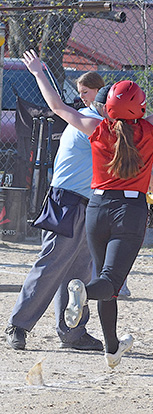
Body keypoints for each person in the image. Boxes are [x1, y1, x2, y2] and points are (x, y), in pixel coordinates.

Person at [22, 30, 153, 368]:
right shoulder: (149, 129)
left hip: (97, 209)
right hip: (129, 210)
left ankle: (111, 346)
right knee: (107, 282)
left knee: (109, 282)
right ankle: (83, 292)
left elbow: (57, 106)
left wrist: (38, 73)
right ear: (139, 108)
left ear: (108, 107)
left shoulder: (97, 127)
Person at [4, 72, 106, 351]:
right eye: (82, 92)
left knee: (80, 271)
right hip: (67, 200)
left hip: (90, 201)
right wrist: (38, 71)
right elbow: (59, 105)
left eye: (89, 92)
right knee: (51, 264)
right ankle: (18, 325)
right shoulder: (90, 120)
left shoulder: (106, 122)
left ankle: (73, 332)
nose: (84, 97)